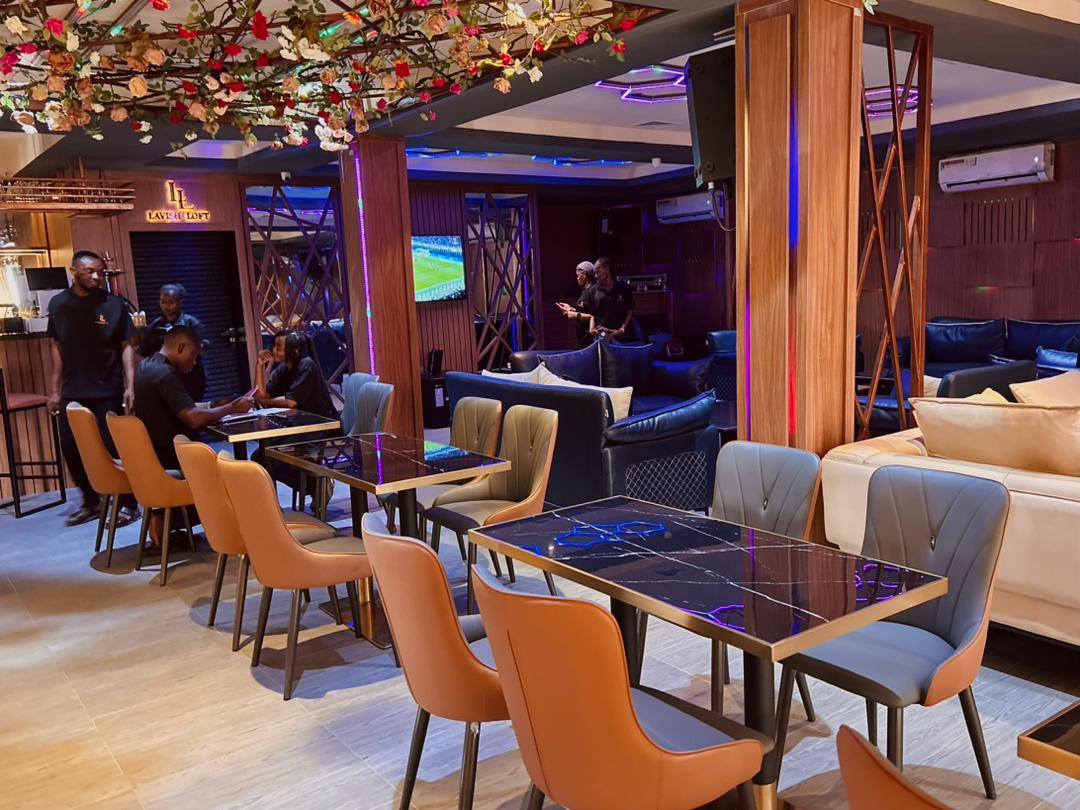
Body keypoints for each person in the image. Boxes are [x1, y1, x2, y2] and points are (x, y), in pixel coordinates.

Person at [47, 250, 140, 526]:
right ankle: (91, 501)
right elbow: (56, 347)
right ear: (73, 272)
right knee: (70, 447)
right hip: (72, 390)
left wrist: (130, 386)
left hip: (108, 389)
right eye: (90, 271)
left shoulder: (114, 304)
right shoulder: (58, 304)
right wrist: (54, 390)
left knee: (113, 448)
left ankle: (128, 503)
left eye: (100, 271)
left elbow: (127, 347)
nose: (97, 277)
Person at [134, 325, 252, 470]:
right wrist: (233, 408)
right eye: (193, 354)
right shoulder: (165, 374)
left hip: (155, 456)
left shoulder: (146, 365)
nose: (195, 361)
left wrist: (212, 405)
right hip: (174, 460)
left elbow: (179, 406)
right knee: (235, 469)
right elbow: (194, 419)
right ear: (180, 347)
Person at [252, 330, 339, 508]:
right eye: (274, 346)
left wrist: (264, 401)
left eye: (279, 347)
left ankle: (317, 486)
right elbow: (261, 395)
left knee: (272, 460)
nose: (273, 350)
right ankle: (311, 488)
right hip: (295, 426)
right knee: (259, 457)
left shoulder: (307, 366)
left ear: (295, 350)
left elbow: (290, 402)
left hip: (316, 428)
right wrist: (259, 366)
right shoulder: (283, 369)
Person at [142, 283, 208, 401]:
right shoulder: (156, 325)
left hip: (190, 378)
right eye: (163, 302)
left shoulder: (191, 323)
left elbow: (203, 348)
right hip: (164, 378)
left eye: (171, 302)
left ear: (180, 303)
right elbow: (145, 351)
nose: (166, 306)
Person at [589, 256, 636, 341]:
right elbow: (592, 314)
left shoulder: (624, 287)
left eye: (598, 272)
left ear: (607, 269)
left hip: (623, 336)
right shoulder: (593, 290)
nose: (596, 276)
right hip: (603, 335)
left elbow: (630, 311)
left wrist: (622, 329)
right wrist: (591, 328)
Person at [556, 261, 598, 347]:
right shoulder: (585, 292)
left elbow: (594, 316)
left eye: (578, 276)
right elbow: (585, 311)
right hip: (583, 338)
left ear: (584, 274)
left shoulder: (593, 291)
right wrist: (570, 309)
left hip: (590, 340)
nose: (577, 278)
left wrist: (575, 314)